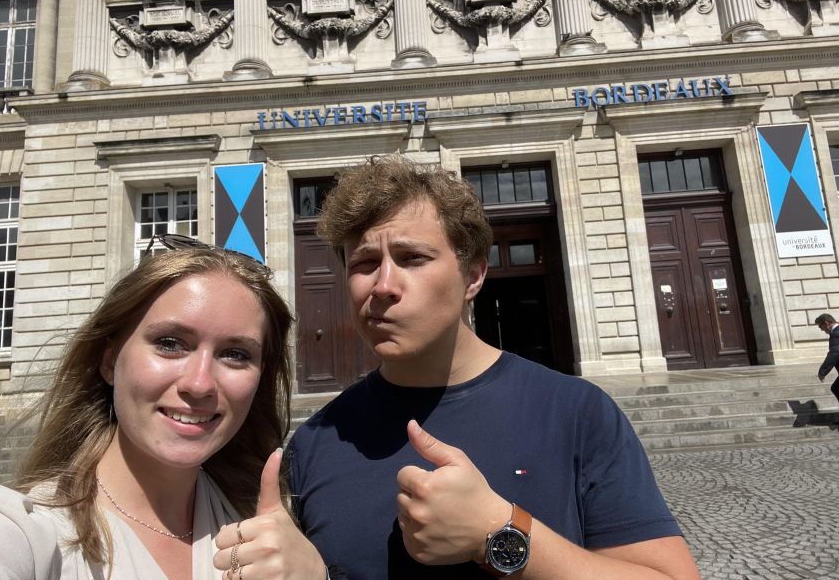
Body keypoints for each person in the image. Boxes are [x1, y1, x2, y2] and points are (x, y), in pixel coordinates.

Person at [286, 156, 700, 580]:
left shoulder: (578, 413)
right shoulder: (313, 444)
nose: (384, 285)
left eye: (412, 258)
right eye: (364, 263)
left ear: (474, 276)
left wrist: (497, 531)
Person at [0, 236, 331, 580]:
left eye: (235, 354)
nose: (200, 383)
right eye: (170, 344)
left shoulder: (266, 532)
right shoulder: (28, 533)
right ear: (110, 361)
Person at [814, 312, 839, 426]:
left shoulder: (837, 334)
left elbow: (834, 353)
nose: (822, 330)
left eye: (821, 327)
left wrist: (823, 371)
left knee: (836, 388)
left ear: (826, 323)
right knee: (836, 388)